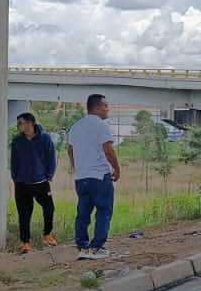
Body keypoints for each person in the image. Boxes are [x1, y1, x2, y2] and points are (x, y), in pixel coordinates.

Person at [66, 93, 122, 259]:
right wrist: (117, 169)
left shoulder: (76, 127)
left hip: (81, 178)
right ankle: (97, 248)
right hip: (99, 176)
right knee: (104, 211)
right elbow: (108, 150)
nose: (108, 109)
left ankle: (82, 248)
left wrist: (78, 168)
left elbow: (70, 150)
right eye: (105, 106)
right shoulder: (101, 126)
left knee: (83, 213)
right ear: (97, 108)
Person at [9, 112, 58, 253]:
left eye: (20, 123)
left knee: (49, 208)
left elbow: (51, 159)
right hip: (22, 184)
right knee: (24, 213)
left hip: (41, 182)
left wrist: (49, 176)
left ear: (30, 123)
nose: (18, 126)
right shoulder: (17, 141)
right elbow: (14, 162)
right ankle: (26, 243)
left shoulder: (45, 139)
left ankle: (47, 234)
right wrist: (16, 178)